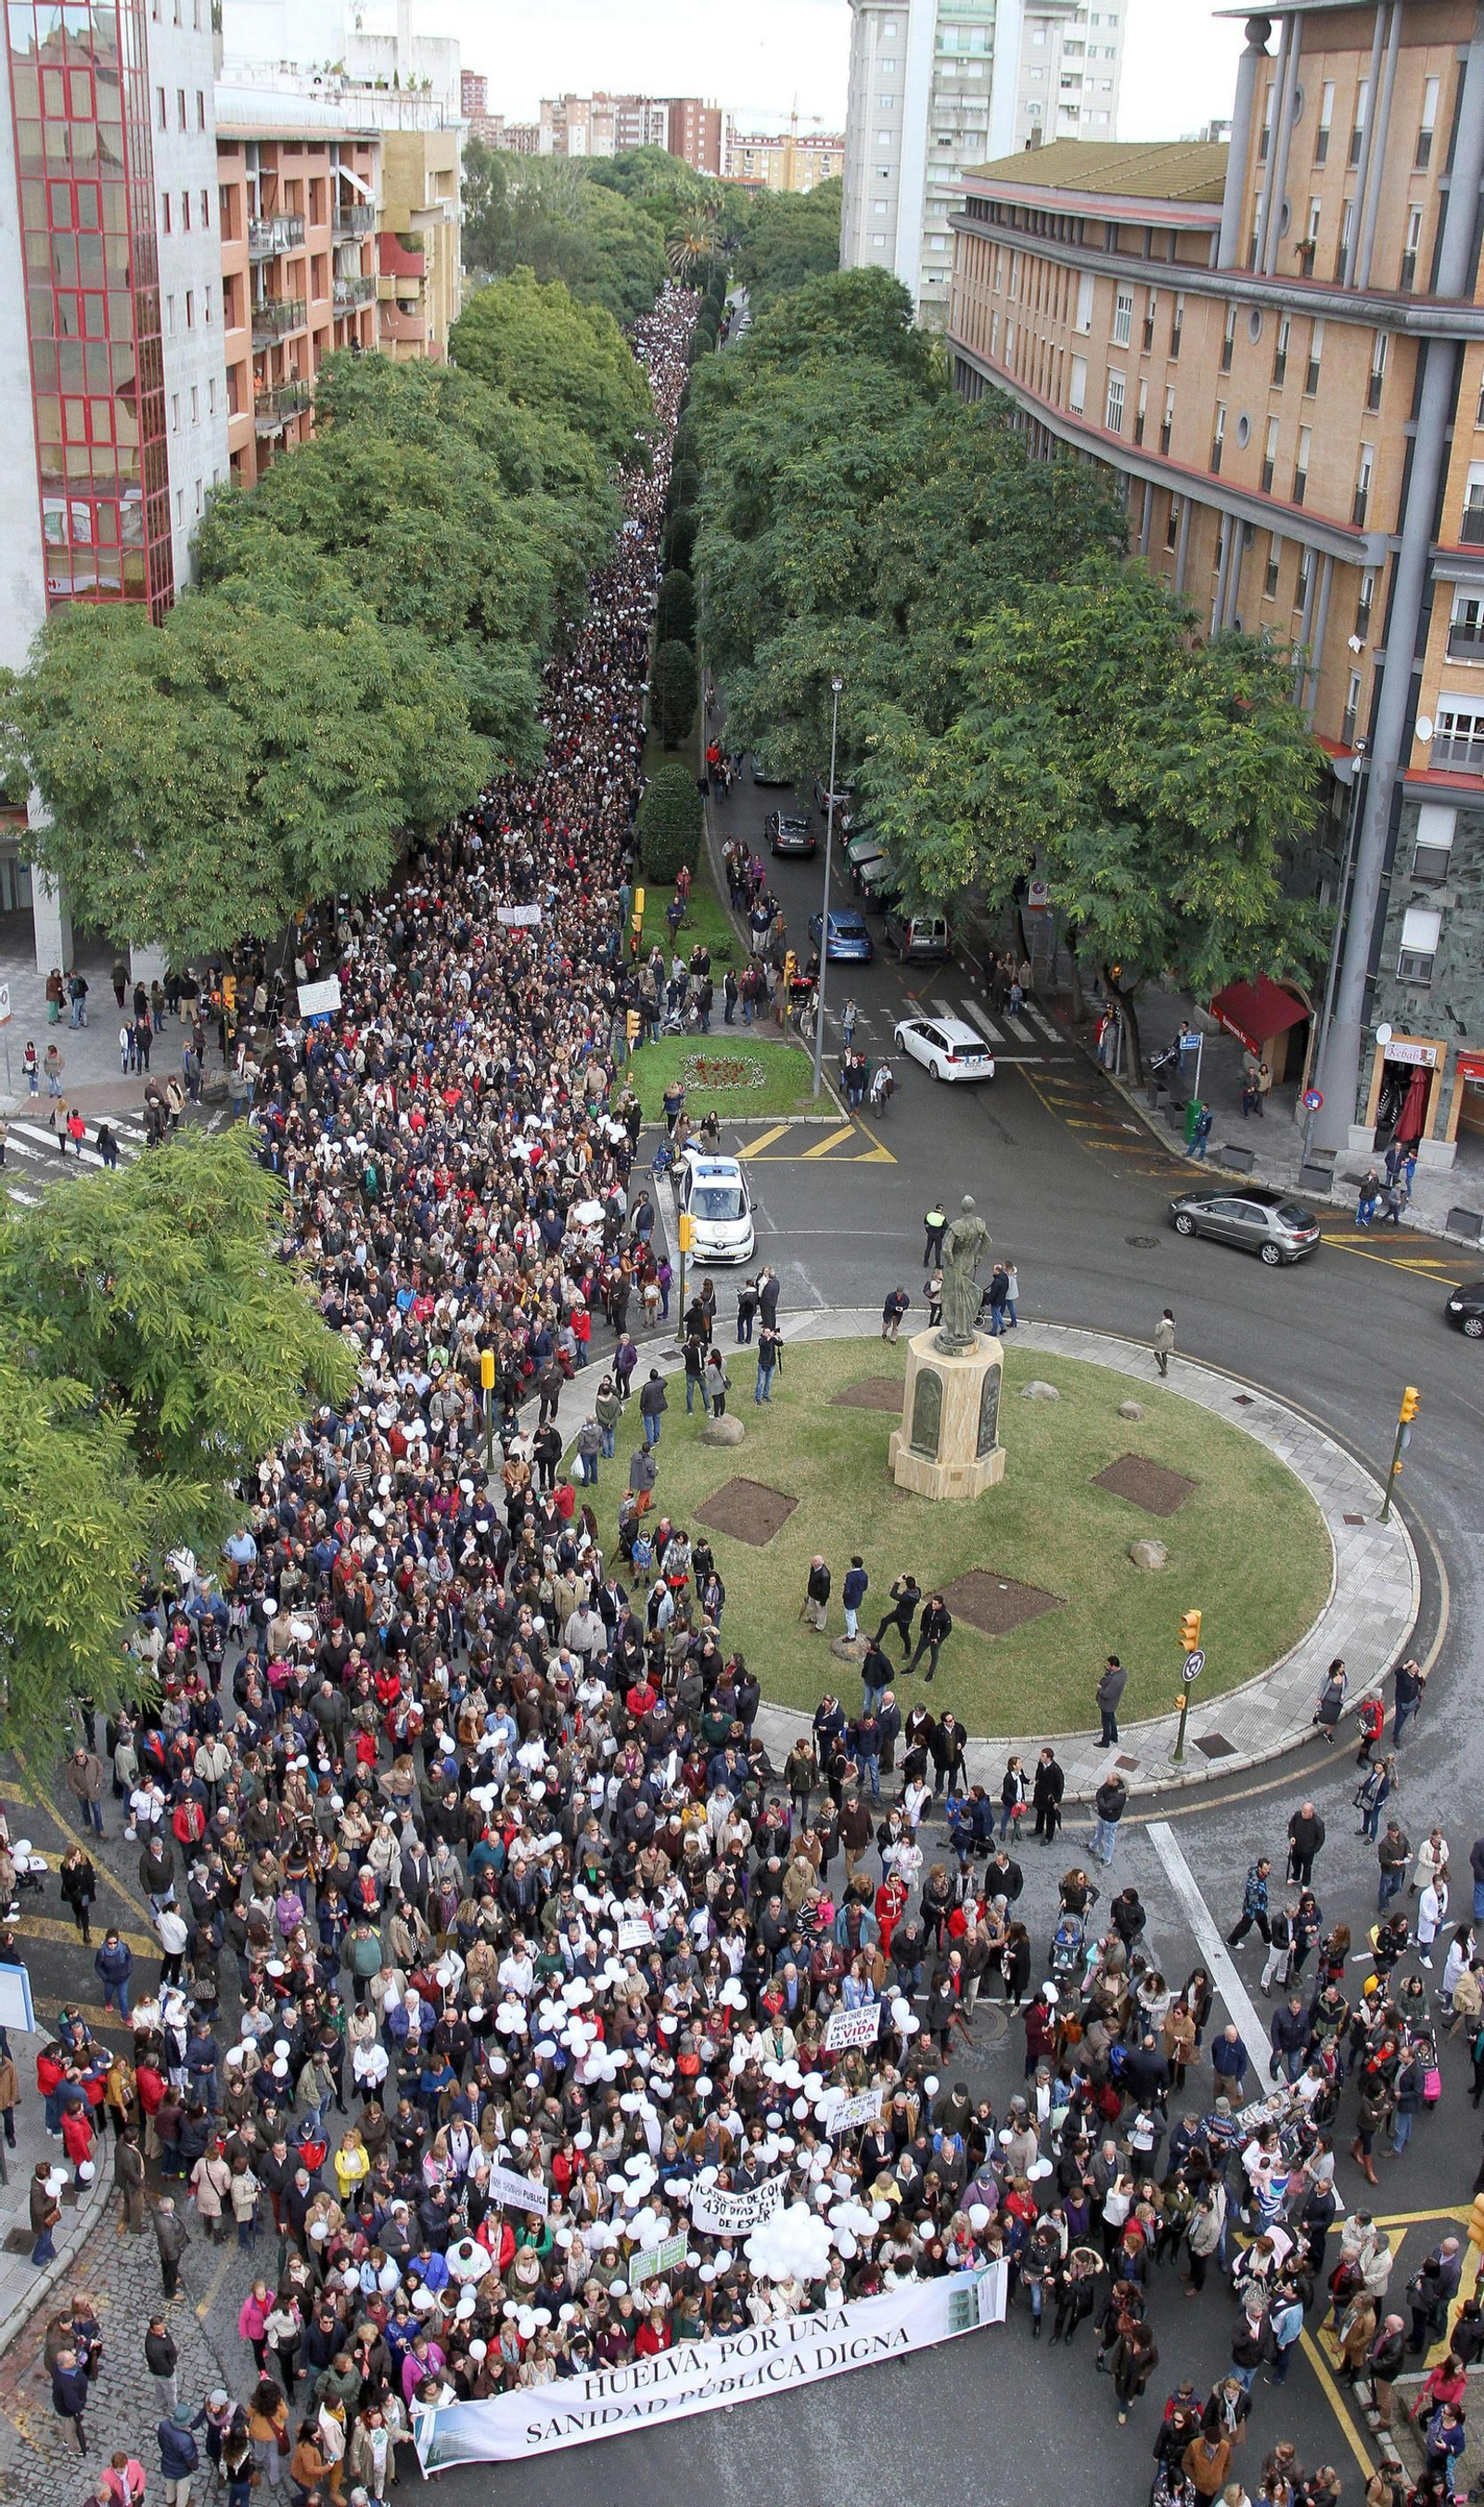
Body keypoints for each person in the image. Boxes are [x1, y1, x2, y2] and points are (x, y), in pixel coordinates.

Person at [906, 1592, 953, 1682]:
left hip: (935, 1640)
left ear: (940, 1604)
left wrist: (938, 1639)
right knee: (918, 1652)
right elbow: (924, 1616)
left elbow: (948, 1629)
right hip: (925, 1636)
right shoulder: (928, 1608)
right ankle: (911, 1668)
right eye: (932, 1603)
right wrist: (922, 1628)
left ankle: (930, 1673)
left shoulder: (945, 1616)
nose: (932, 1605)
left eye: (935, 1604)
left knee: (934, 1656)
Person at [1092, 1772, 1128, 1868]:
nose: (1106, 1782)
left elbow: (1105, 1806)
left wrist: (1101, 1800)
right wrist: (1102, 1800)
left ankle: (1107, 1858)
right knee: (1098, 1832)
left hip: (1110, 1820)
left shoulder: (1119, 1796)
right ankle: (1093, 1846)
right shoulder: (1109, 1785)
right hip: (1103, 1816)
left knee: (1109, 1839)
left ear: (1115, 1782)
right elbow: (1099, 1793)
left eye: (1108, 1781)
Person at [1095, 1656, 1127, 1747]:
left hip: (1107, 1705)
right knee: (1112, 1719)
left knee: (1106, 1724)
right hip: (1113, 1703)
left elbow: (1106, 1695)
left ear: (1113, 1666)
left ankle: (1105, 1742)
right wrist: (1109, 1673)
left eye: (1109, 1666)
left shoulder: (1115, 1680)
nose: (1108, 1667)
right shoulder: (1122, 1673)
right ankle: (1114, 1736)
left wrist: (1100, 1689)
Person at [1154, 1308, 1176, 1378]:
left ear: (1165, 1315)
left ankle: (1164, 1370)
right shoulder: (1172, 1323)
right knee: (1164, 1354)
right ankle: (1163, 1370)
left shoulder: (1163, 1323)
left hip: (1162, 1341)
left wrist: (1157, 1326)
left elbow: (1157, 1332)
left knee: (1156, 1354)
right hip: (1169, 1341)